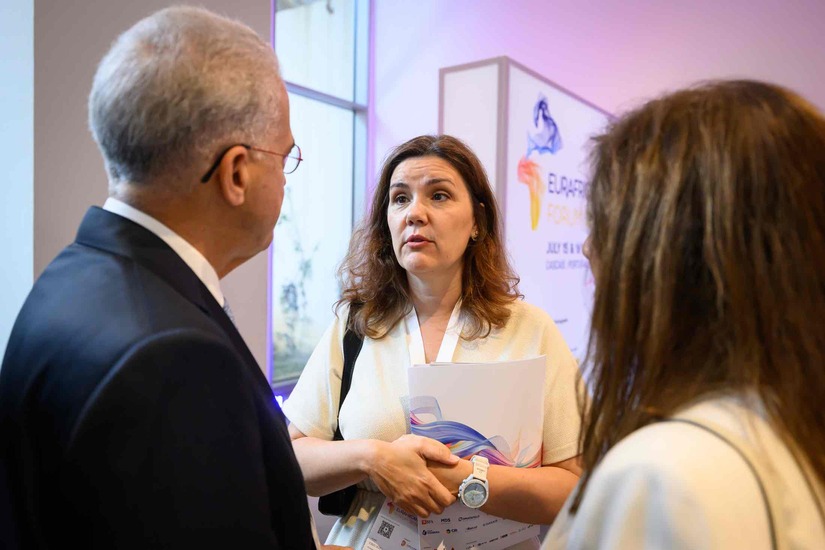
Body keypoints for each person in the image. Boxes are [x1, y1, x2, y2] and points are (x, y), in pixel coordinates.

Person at [0, 7, 325, 549]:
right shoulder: (176, 359)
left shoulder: (72, 274)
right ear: (236, 172)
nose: (286, 181)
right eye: (284, 156)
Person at [543, 80, 825, 549]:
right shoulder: (790, 426)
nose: (589, 249)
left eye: (609, 225)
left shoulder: (664, 475)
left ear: (671, 256)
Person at [283, 134, 584, 549]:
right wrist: (372, 458)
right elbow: (293, 458)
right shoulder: (356, 324)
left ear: (477, 221)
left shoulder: (530, 329)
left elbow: (572, 490)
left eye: (439, 196)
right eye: (400, 199)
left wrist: (464, 478)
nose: (415, 213)